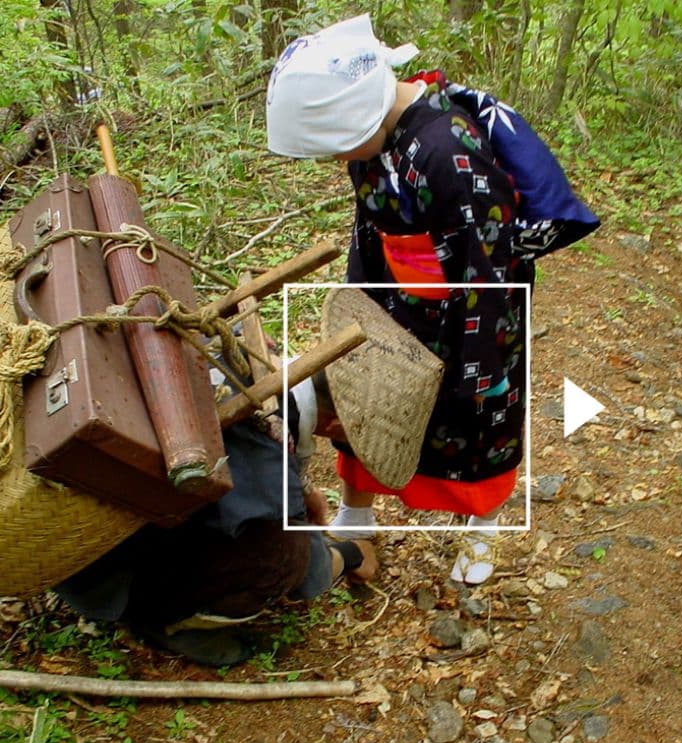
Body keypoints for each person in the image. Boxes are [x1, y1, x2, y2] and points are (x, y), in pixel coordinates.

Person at [266, 15, 600, 584]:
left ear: (362, 111)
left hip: (471, 315)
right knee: (366, 402)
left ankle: (482, 528)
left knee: (472, 424)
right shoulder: (374, 145)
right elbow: (368, 231)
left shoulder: (449, 150)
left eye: (338, 147)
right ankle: (355, 513)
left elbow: (487, 265)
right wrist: (362, 311)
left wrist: (478, 366)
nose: (340, 160)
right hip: (397, 301)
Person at [55, 394, 378, 667]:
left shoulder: (246, 368)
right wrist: (349, 554)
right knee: (287, 553)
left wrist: (304, 490)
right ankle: (166, 622)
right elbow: (310, 573)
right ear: (335, 425)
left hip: (72, 547)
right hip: (111, 579)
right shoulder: (268, 455)